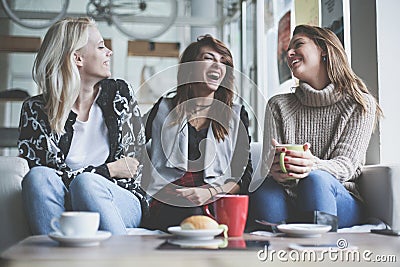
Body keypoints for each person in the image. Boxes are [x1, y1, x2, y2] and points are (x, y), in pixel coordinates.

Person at [18, 17, 148, 235]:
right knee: (37, 177)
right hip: (64, 202)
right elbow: (45, 178)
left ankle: (121, 257)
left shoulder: (120, 95)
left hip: (119, 199)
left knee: (86, 184)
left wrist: (94, 177)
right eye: (100, 46)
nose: (109, 52)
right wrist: (108, 170)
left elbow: (134, 166)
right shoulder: (35, 110)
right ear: (77, 58)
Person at [249, 24, 383, 230]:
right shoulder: (278, 105)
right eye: (288, 50)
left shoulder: (359, 103)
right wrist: (275, 171)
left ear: (323, 49)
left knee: (315, 180)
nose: (290, 53)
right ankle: (268, 257)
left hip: (337, 197)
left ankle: (320, 256)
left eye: (298, 45)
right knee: (264, 191)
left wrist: (311, 165)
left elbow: (346, 165)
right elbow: (269, 169)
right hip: (288, 197)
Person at [142, 34, 253, 231]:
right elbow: (128, 144)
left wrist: (209, 192)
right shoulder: (163, 108)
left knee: (200, 213)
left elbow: (243, 177)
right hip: (169, 198)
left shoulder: (236, 114)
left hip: (216, 198)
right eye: (209, 58)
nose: (217, 65)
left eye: (223, 62)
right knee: (191, 212)